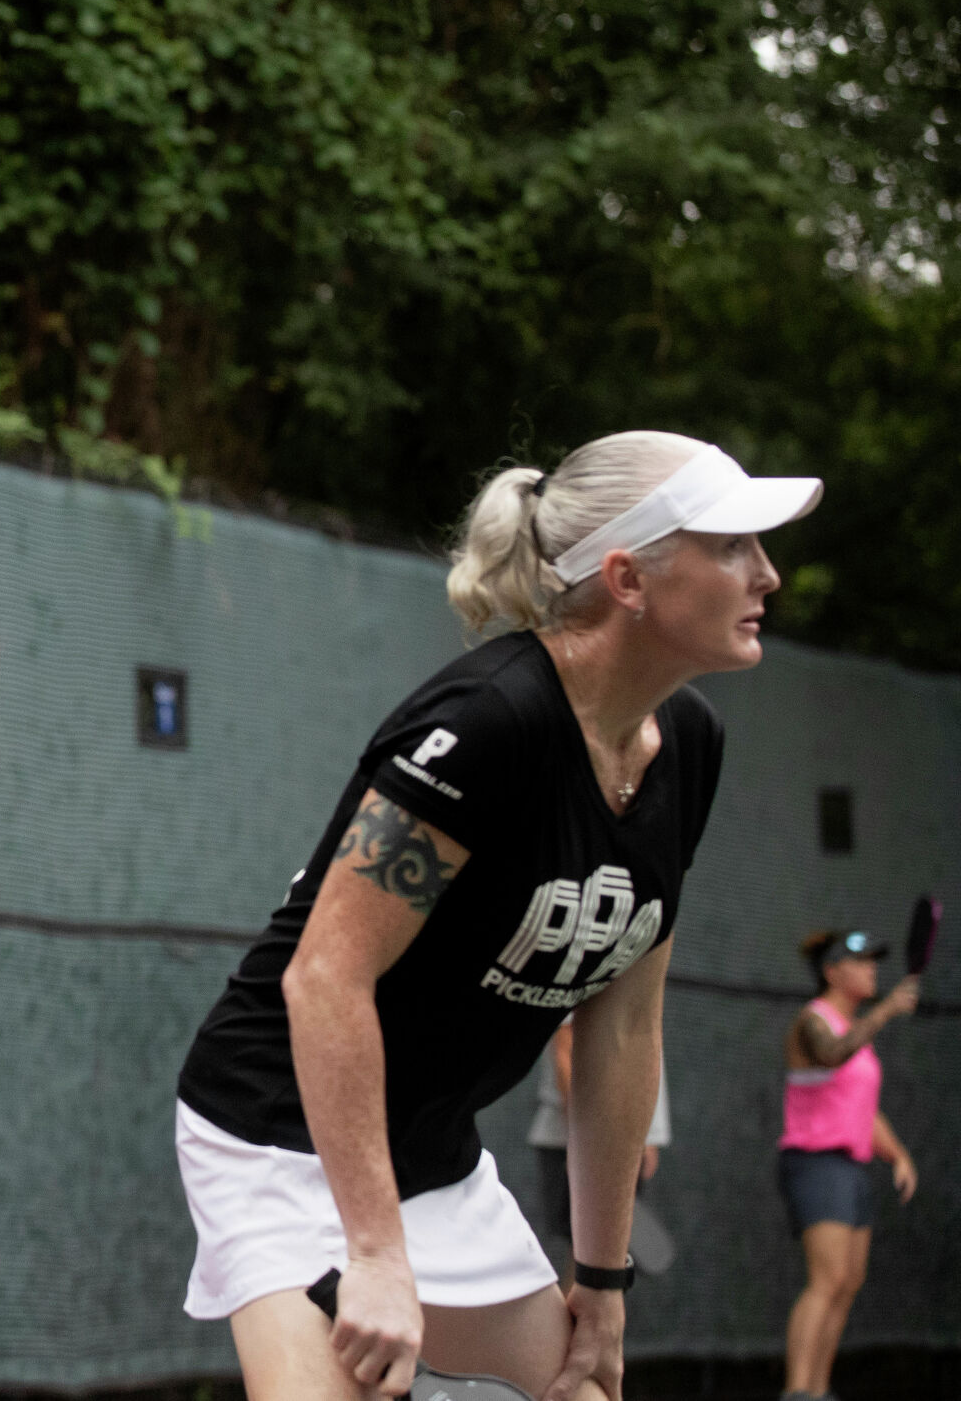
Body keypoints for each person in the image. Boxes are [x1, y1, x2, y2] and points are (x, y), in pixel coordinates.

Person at [175, 431, 822, 1401]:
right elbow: (323, 977)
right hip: (280, 1134)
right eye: (729, 546)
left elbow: (623, 1022)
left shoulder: (687, 743)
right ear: (626, 579)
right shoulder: (485, 721)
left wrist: (602, 1288)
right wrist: (375, 1251)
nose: (764, 573)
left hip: (434, 1155)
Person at [777, 929, 920, 1401]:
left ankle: (819, 1392)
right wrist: (887, 1010)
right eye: (860, 961)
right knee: (827, 1279)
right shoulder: (812, 1022)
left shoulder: (858, 1034)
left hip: (853, 1167)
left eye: (874, 961)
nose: (872, 969)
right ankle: (796, 1392)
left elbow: (862, 1108)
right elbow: (831, 1054)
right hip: (815, 1164)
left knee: (848, 1282)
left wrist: (897, 1153)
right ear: (832, 972)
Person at [527, 1016, 670, 1284]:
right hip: (585, 1141)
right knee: (590, 1263)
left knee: (601, 1263)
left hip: (615, 1141)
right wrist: (583, 1137)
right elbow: (565, 1048)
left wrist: (649, 1133)